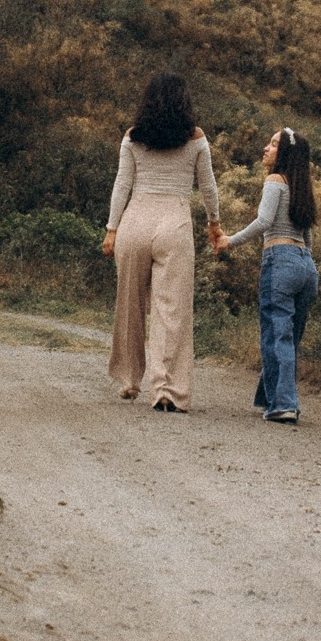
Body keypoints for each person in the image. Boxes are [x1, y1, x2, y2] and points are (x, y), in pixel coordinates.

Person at [103, 71, 224, 411]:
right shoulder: (195, 137)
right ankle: (168, 390)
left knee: (129, 305)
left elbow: (121, 185)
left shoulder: (133, 136)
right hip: (174, 221)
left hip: (135, 220)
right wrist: (214, 224)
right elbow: (208, 186)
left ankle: (128, 380)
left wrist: (112, 229)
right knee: (171, 309)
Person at [218, 126, 319, 423]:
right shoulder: (302, 188)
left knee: (277, 337)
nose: (266, 148)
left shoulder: (275, 181)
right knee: (288, 339)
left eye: (273, 144)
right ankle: (270, 397)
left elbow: (264, 221)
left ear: (284, 153)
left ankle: (284, 404)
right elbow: (308, 237)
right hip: (306, 267)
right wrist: (306, 264)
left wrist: (229, 241)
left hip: (281, 261)